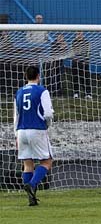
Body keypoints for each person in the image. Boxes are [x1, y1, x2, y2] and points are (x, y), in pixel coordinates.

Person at [14, 66, 54, 206]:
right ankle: (32, 184)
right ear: (38, 75)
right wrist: (47, 124)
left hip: (21, 131)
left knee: (27, 163)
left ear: (26, 76)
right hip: (37, 129)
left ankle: (31, 198)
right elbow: (48, 113)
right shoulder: (42, 91)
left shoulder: (19, 92)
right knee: (47, 161)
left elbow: (16, 116)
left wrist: (15, 134)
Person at [71, 31, 92, 99]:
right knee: (75, 78)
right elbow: (74, 52)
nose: (79, 35)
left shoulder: (86, 42)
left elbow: (87, 53)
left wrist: (85, 60)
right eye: (77, 34)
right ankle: (76, 93)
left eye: (80, 34)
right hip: (76, 63)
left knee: (85, 78)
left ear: (82, 34)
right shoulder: (74, 42)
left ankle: (88, 93)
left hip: (84, 63)